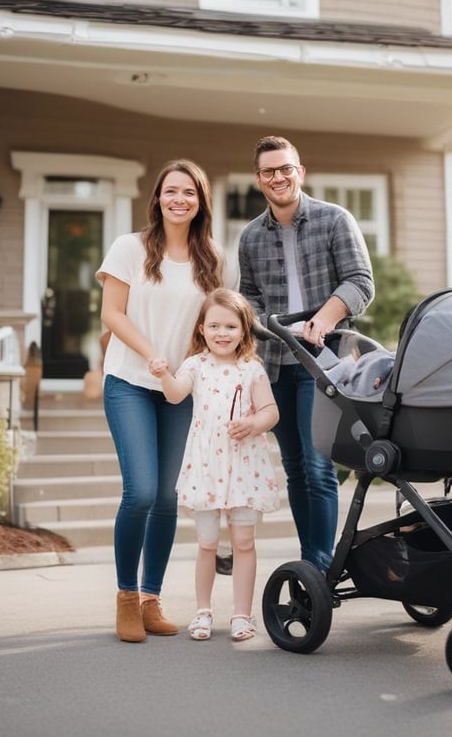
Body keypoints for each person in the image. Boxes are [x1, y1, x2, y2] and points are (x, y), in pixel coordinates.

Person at [97, 159, 224, 643]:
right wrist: (153, 356)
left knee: (170, 497)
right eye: (171, 191)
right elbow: (112, 313)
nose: (179, 199)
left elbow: (213, 328)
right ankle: (126, 597)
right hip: (130, 381)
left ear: (200, 202)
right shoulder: (130, 247)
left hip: (181, 390)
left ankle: (151, 599)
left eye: (189, 193)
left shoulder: (212, 259)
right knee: (142, 493)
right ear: (157, 198)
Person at [238, 135, 374, 572]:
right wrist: (261, 326)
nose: (277, 177)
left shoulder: (335, 220)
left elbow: (360, 282)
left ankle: (321, 567)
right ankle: (311, 561)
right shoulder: (251, 237)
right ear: (259, 179)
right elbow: (249, 298)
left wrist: (324, 320)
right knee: (295, 467)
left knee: (318, 468)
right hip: (276, 365)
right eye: (268, 171)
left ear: (300, 171)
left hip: (326, 364)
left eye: (285, 169)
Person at [150, 288, 280, 641]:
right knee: (207, 543)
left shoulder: (251, 369)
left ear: (244, 331)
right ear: (201, 329)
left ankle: (241, 615)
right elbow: (175, 394)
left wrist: (254, 423)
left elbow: (271, 412)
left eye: (231, 327)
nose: (222, 333)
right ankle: (203, 612)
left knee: (244, 542)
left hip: (244, 465)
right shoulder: (196, 365)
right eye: (214, 326)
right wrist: (163, 373)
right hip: (206, 465)